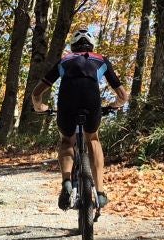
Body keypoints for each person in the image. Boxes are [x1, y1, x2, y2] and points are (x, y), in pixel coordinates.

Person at [31, 28, 129, 211]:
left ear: (73, 46)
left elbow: (37, 93)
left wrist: (40, 107)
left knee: (67, 139)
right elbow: (123, 95)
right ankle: (100, 193)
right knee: (92, 138)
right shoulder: (101, 60)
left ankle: (67, 182)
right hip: (91, 101)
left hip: (67, 102)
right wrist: (115, 105)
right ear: (91, 46)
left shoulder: (64, 60)